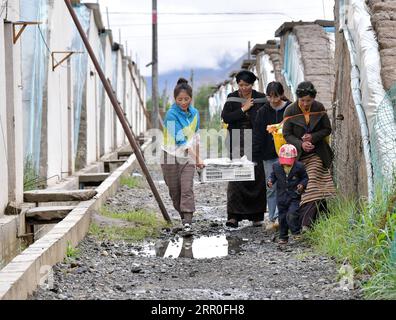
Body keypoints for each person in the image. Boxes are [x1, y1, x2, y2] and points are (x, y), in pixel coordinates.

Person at [282, 81, 336, 231]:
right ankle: (320, 217)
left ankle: (305, 223)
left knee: (311, 183)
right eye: (302, 100)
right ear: (297, 98)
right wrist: (301, 144)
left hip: (318, 153)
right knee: (310, 188)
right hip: (299, 156)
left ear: (314, 98)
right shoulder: (290, 110)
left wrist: (312, 137)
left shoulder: (319, 108)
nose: (305, 104)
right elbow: (287, 134)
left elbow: (327, 129)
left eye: (309, 101)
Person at [221, 70, 267, 228]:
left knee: (256, 177)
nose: (243, 88)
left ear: (252, 84)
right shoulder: (232, 98)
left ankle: (257, 216)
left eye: (246, 85)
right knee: (236, 177)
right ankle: (234, 216)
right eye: (240, 85)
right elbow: (226, 117)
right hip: (237, 141)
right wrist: (243, 109)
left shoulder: (261, 98)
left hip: (256, 141)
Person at [161, 78, 204, 233]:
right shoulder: (170, 115)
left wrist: (198, 158)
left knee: (187, 188)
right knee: (175, 191)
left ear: (191, 98)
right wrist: (198, 158)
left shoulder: (195, 113)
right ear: (175, 99)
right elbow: (181, 142)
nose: (183, 102)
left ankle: (187, 221)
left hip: (188, 157)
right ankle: (182, 216)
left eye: (186, 99)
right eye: (180, 99)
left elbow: (196, 136)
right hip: (170, 156)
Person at [253, 81, 292, 231]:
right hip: (268, 154)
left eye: (276, 97)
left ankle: (281, 216)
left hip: (287, 153)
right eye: (270, 97)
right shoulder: (263, 112)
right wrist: (256, 155)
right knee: (271, 185)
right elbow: (258, 134)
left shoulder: (289, 109)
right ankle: (272, 217)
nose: (273, 101)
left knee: (285, 183)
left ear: (281, 94)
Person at [267, 144, 308, 244]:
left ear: (295, 158)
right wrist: (270, 181)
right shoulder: (276, 166)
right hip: (281, 197)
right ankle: (283, 236)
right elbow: (272, 176)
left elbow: (305, 178)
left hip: (294, 196)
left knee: (292, 214)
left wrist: (302, 184)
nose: (286, 164)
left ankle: (296, 233)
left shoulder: (299, 167)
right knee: (282, 217)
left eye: (289, 162)